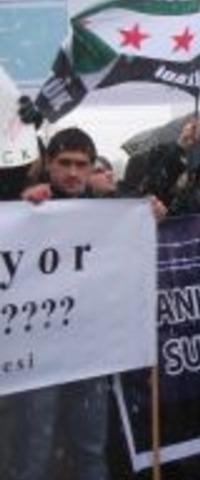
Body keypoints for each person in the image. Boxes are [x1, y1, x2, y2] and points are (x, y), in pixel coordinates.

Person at [8, 128, 110, 480]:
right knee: (35, 453)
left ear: (92, 167)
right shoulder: (23, 204)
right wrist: (20, 207)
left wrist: (150, 217)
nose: (73, 173)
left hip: (89, 354)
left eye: (82, 165)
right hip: (37, 356)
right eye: (64, 163)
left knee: (92, 451)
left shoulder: (109, 211)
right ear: (48, 164)